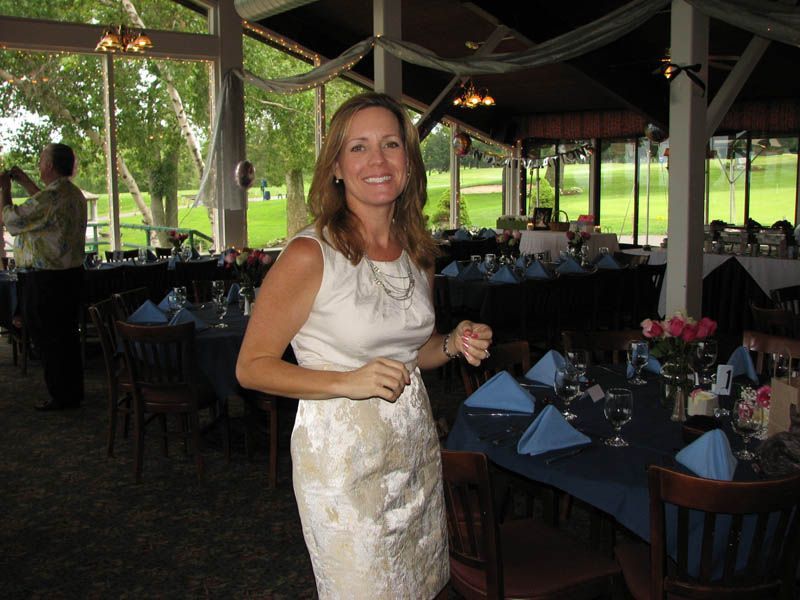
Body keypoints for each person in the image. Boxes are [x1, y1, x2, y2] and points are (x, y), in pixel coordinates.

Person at [236, 92, 493, 599]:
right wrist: (346, 381)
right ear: (336, 165)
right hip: (343, 465)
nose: (377, 160)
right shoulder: (310, 254)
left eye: (390, 144)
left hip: (414, 453)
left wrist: (452, 341)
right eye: (358, 147)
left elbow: (412, 354)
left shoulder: (418, 253)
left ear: (408, 161)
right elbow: (251, 367)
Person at [0, 143, 87, 410]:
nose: (39, 165)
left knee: (49, 339)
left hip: (47, 280)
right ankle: (72, 392)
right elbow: (43, 206)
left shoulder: (51, 198)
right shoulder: (71, 194)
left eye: (41, 160)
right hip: (70, 276)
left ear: (49, 166)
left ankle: (61, 395)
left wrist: (4, 189)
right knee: (67, 337)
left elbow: (12, 219)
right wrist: (26, 182)